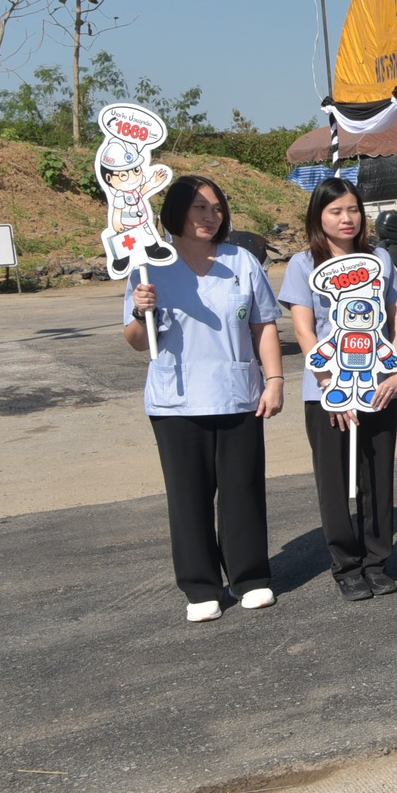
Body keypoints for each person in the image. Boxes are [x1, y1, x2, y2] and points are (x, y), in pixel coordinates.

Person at [124, 175, 285, 622]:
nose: (209, 216)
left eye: (216, 208)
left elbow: (263, 325)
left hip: (237, 395)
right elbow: (137, 341)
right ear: (176, 212)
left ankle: (250, 577)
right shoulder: (148, 267)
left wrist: (274, 379)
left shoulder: (241, 261)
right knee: (188, 497)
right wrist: (140, 310)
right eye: (199, 207)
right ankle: (201, 586)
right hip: (176, 400)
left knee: (242, 491)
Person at [280, 178, 397, 601]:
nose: (346, 218)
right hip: (328, 388)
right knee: (335, 481)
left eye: (353, 209)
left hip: (380, 385)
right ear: (318, 216)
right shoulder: (303, 264)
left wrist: (395, 370)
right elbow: (304, 329)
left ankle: (377, 560)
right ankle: (347, 566)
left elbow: (396, 315)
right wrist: (328, 383)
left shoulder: (380, 258)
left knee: (377, 475)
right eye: (336, 211)